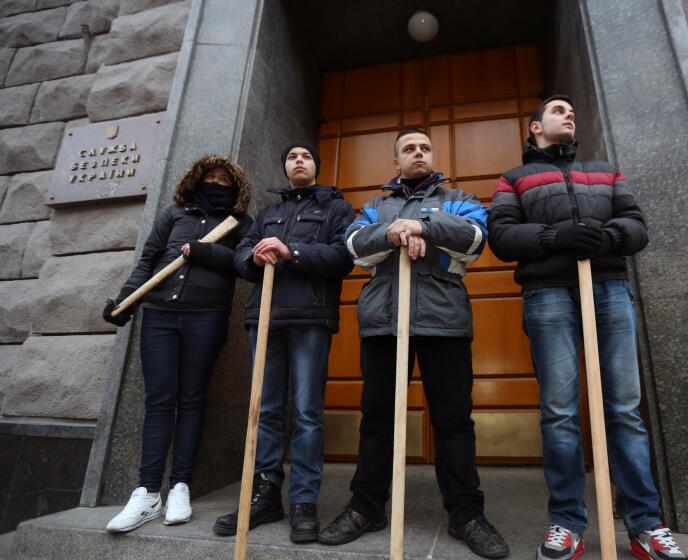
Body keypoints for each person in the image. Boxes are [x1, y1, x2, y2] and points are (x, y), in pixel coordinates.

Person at [488, 95, 688, 560]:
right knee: (559, 410)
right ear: (535, 127)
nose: (569, 114)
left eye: (571, 111)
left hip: (609, 289)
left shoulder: (605, 171)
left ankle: (645, 524)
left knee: (624, 408)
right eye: (558, 111)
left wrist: (609, 237)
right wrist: (554, 237)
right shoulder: (514, 178)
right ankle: (566, 522)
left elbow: (636, 224)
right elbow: (501, 235)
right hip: (548, 293)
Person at [317, 129, 510, 559]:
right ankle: (366, 507)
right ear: (396, 162)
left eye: (424, 148)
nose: (418, 153)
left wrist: (422, 224)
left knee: (454, 421)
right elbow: (353, 247)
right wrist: (392, 233)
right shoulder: (373, 206)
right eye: (409, 149)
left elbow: (475, 239)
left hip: (445, 322)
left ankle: (466, 515)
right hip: (385, 323)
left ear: (433, 157)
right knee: (377, 419)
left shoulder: (458, 197)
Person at [102, 155, 253, 532]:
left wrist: (209, 252)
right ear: (196, 180)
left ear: (235, 189)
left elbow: (243, 263)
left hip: (206, 316)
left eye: (224, 180)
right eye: (211, 177)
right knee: (159, 399)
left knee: (191, 399)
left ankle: (180, 486)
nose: (216, 183)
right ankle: (147, 492)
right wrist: (125, 301)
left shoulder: (239, 222)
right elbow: (148, 260)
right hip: (158, 315)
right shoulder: (174, 215)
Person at [213, 142, 355, 543]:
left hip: (310, 318)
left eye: (305, 156)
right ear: (285, 168)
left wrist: (290, 251)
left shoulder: (336, 209)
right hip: (265, 317)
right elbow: (240, 256)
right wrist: (254, 259)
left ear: (316, 166)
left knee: (307, 411)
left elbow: (343, 257)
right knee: (266, 410)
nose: (298, 161)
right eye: (291, 157)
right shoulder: (268, 213)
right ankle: (264, 494)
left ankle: (304, 500)